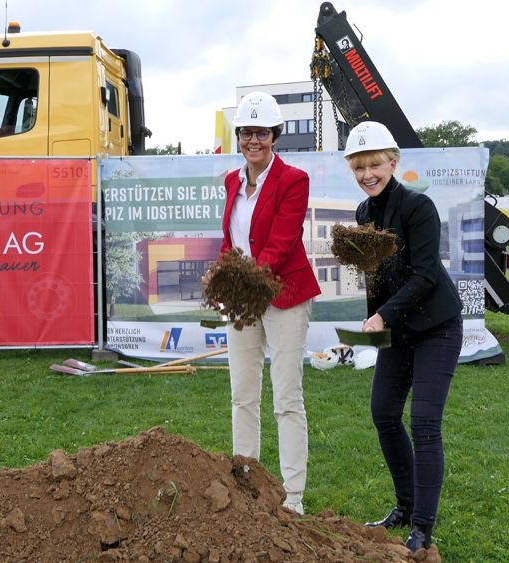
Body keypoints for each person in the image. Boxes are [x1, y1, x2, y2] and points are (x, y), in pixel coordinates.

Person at [344, 121, 463, 552]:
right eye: (359, 167)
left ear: (393, 163)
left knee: (425, 423)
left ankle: (423, 528)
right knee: (384, 414)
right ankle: (406, 506)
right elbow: (375, 277)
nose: (367, 175)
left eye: (374, 165)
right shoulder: (363, 213)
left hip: (437, 327)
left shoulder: (418, 207)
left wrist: (382, 316)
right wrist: (371, 327)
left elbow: (426, 275)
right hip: (397, 329)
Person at [216, 91, 321, 515]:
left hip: (284, 297)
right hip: (243, 299)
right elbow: (231, 240)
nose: (253, 140)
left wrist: (249, 282)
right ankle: (247, 482)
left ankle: (292, 497)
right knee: (242, 394)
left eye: (261, 132)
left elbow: (280, 242)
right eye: (246, 132)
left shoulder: (294, 180)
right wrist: (225, 280)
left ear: (275, 136)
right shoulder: (231, 181)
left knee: (286, 399)